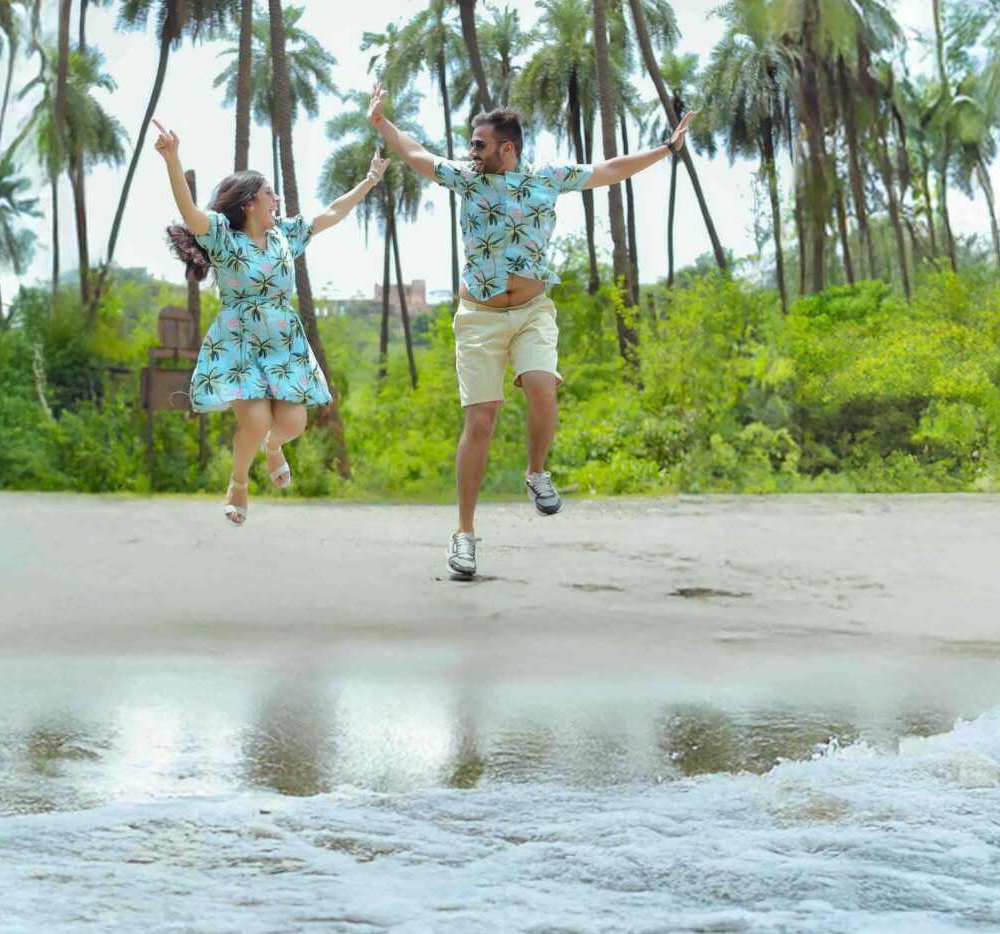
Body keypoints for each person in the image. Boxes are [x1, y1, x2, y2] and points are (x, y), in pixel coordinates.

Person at [369, 89, 691, 579]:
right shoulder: (467, 180)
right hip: (478, 318)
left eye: (479, 145)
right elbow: (416, 153)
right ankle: (464, 535)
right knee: (481, 420)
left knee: (542, 385)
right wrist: (382, 123)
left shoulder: (547, 179)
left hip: (533, 311)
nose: (471, 153)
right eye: (471, 145)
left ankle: (536, 472)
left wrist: (666, 150)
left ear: (508, 149)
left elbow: (610, 170)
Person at [157, 123, 387, 526]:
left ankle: (273, 448)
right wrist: (173, 160)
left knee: (292, 422)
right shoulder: (224, 239)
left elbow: (331, 213)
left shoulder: (285, 235)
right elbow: (191, 214)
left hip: (284, 342)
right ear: (249, 203)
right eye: (269, 193)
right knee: (257, 419)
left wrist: (369, 180)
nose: (277, 199)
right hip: (238, 341)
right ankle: (239, 482)